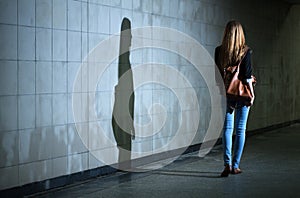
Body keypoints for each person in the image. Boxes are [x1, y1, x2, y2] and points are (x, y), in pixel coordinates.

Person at [214, 20, 255, 177]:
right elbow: (246, 77)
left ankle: (227, 164)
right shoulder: (245, 52)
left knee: (227, 129)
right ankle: (235, 165)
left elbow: (217, 75)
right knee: (240, 129)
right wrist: (251, 94)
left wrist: (222, 91)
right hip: (242, 94)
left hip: (226, 93)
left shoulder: (219, 51)